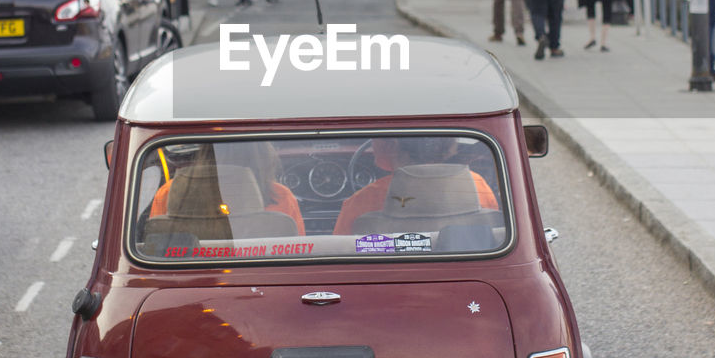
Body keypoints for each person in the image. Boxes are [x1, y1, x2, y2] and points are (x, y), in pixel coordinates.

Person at [333, 136, 498, 235]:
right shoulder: (477, 185)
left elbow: (340, 257)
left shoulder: (361, 201)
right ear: (449, 145)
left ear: (391, 145)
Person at [150, 141, 305, 233]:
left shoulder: (170, 192)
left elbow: (156, 245)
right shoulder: (280, 197)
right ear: (262, 157)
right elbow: (298, 256)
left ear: (205, 154)